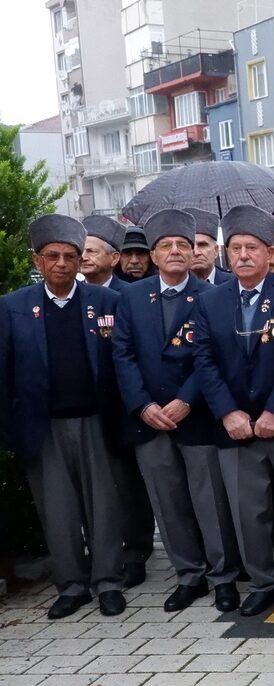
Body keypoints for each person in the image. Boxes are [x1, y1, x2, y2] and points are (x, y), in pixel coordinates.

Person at [192, 205, 274, 619]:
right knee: (248, 512)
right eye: (235, 248)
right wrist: (229, 413)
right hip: (235, 428)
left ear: (271, 253)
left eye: (252, 247)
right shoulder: (210, 301)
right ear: (225, 252)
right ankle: (264, 582)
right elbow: (204, 360)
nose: (243, 255)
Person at [111, 209, 241, 614]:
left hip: (196, 415)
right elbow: (123, 355)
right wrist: (143, 405)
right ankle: (189, 575)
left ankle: (223, 576)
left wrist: (187, 400)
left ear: (193, 252)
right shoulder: (131, 297)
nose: (174, 252)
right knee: (168, 504)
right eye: (165, 246)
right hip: (149, 419)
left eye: (182, 245)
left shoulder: (213, 295)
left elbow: (213, 357)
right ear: (152, 253)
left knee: (210, 501)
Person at [0, 214, 128, 619]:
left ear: (78, 261)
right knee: (57, 512)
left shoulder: (107, 302)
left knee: (104, 508)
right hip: (43, 428)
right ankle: (71, 586)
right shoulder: (12, 307)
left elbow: (123, 363)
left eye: (70, 256)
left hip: (97, 422)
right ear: (38, 261)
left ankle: (108, 582)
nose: (61, 263)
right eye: (52, 256)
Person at [81, 214, 152, 584]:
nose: (84, 258)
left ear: (114, 257)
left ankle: (137, 551)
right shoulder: (74, 295)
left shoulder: (131, 295)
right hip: (88, 407)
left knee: (130, 484)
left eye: (93, 251)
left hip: (127, 406)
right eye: (83, 251)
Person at [81, 215, 129, 290]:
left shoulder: (129, 294)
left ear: (114, 258)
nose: (83, 257)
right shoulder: (69, 293)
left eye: (91, 251)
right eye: (80, 251)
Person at [187, 208, 234, 284]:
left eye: (202, 245)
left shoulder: (235, 283)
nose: (196, 252)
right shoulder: (173, 287)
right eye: (190, 246)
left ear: (216, 250)